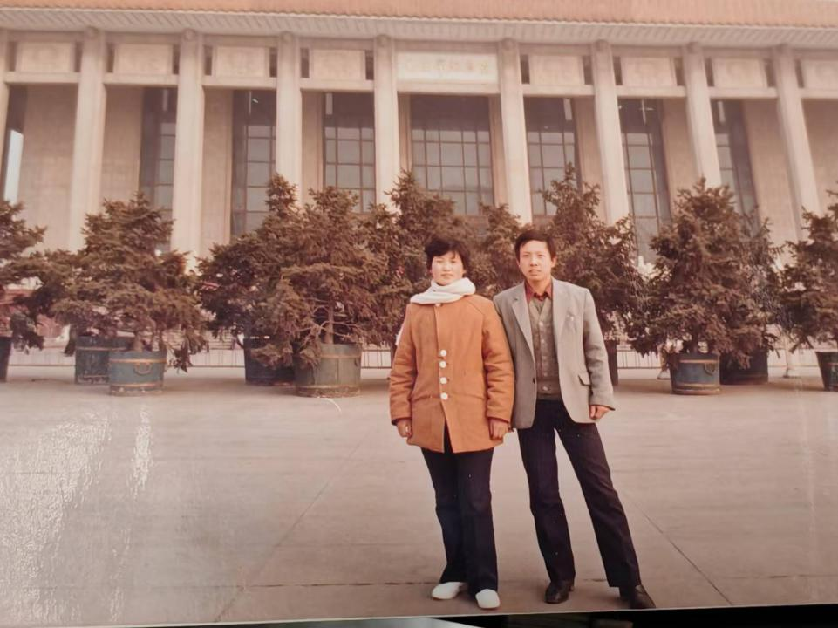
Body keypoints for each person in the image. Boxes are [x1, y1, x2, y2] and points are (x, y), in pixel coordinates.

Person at [492, 228, 656, 610]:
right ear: (518, 262)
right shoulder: (503, 303)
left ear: (553, 259)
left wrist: (601, 395)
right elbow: (499, 360)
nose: (534, 262)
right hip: (531, 408)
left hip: (575, 405)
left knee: (600, 490)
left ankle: (629, 581)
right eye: (526, 256)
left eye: (540, 255)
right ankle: (560, 577)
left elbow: (595, 348)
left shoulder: (578, 297)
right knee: (543, 494)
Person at [389, 236, 514, 611]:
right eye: (439, 261)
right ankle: (454, 573)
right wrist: (402, 413)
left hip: (473, 421)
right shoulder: (416, 309)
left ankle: (484, 581)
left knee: (475, 501)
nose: (445, 267)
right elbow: (403, 366)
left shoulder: (481, 307)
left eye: (453, 261)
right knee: (446, 501)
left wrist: (499, 414)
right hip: (431, 421)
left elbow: (499, 365)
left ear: (464, 267)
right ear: (430, 266)